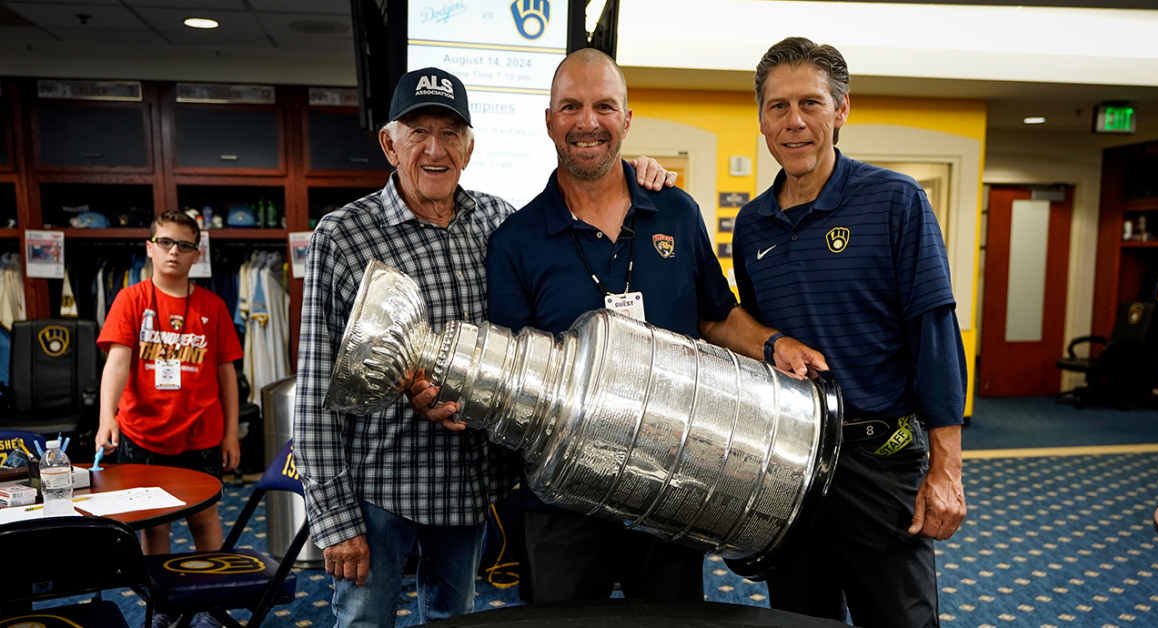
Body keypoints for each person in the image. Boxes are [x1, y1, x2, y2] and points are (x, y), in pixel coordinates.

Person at [293, 66, 676, 626]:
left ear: (469, 148)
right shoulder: (343, 235)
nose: (434, 149)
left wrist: (641, 173)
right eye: (417, 131)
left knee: (457, 619)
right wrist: (334, 519)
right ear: (389, 143)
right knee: (363, 623)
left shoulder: (497, 222)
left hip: (465, 489)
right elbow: (314, 386)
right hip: (379, 491)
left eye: (450, 134)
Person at [484, 48, 827, 605]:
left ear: (626, 118)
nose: (587, 122)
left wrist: (773, 343)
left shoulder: (675, 212)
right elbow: (510, 374)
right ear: (549, 121)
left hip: (673, 485)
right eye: (570, 107)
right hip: (563, 501)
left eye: (604, 106)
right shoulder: (514, 242)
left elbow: (716, 315)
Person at [732, 37, 968, 627]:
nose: (794, 123)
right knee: (800, 616)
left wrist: (947, 470)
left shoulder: (896, 202)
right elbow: (758, 338)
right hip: (790, 463)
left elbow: (936, 338)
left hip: (879, 462)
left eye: (810, 104)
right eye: (778, 107)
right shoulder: (752, 223)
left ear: (841, 111)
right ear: (761, 120)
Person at [95, 209, 242, 627]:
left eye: (184, 245)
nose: (174, 252)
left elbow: (226, 372)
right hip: (143, 433)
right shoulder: (131, 299)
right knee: (154, 526)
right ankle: (164, 606)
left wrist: (231, 433)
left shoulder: (213, 306)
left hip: (201, 433)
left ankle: (215, 605)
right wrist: (108, 415)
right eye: (165, 243)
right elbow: (117, 364)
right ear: (150, 247)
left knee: (204, 518)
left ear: (197, 254)